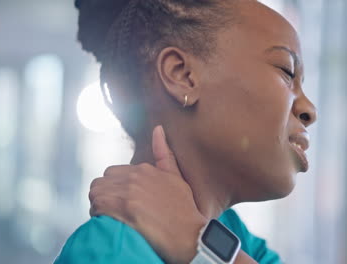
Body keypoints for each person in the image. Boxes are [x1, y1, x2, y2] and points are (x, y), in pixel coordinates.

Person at [54, 0, 317, 263]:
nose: (310, 110)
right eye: (286, 71)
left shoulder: (236, 237)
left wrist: (196, 240)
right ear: (181, 75)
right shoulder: (109, 253)